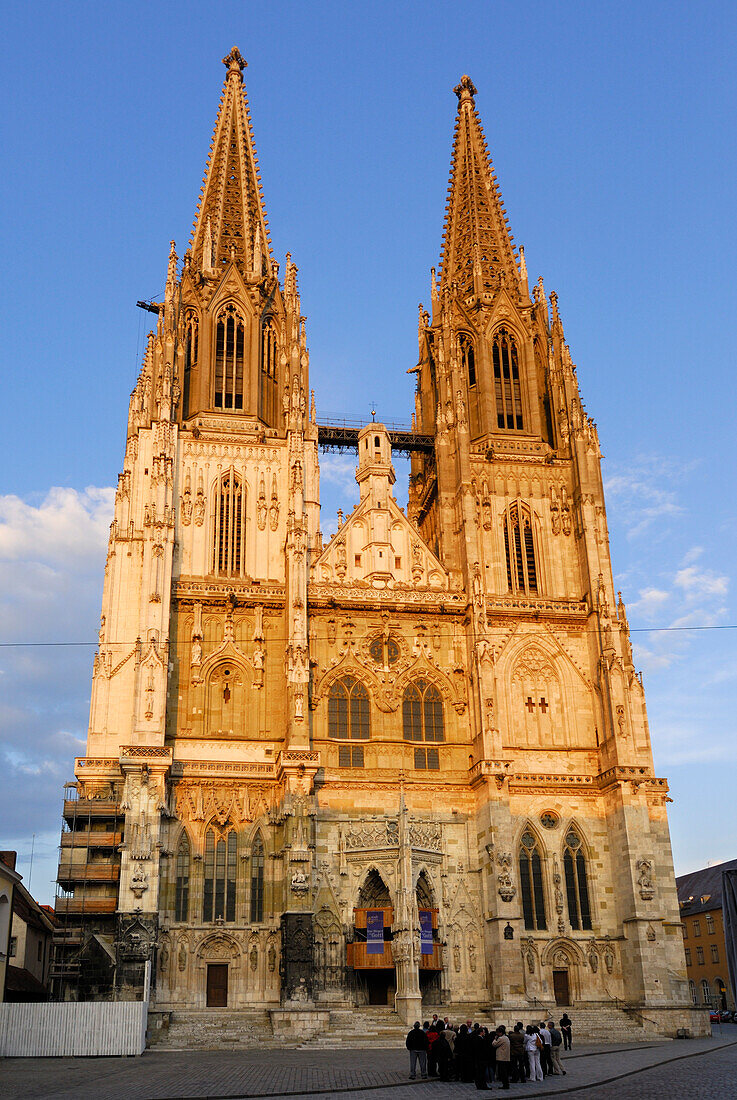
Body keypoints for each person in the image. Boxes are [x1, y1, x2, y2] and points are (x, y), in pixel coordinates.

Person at [492, 1025, 511, 1090]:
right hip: (506, 1057)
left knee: (503, 1072)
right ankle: (506, 1084)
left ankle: (505, 1084)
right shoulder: (506, 1038)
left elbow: (494, 1044)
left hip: (501, 1058)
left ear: (500, 1033)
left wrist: (494, 1039)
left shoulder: (501, 1038)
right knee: (505, 1071)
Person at [472, 1025, 490, 1090]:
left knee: (479, 1073)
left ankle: (479, 1085)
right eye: (483, 1032)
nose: (484, 1033)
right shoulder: (481, 1039)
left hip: (478, 1059)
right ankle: (483, 1085)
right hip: (482, 1059)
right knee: (481, 1073)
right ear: (481, 1032)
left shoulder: (476, 1039)